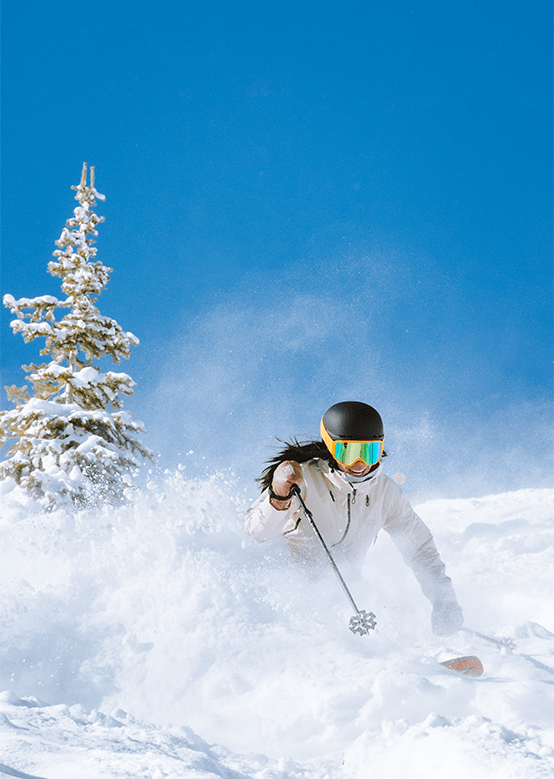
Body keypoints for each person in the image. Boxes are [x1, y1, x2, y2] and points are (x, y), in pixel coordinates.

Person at [245, 401, 464, 637]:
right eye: (348, 453)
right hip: (287, 593)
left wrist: (444, 600)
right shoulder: (302, 478)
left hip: (345, 596)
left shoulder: (386, 493)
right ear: (330, 447)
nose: (359, 465)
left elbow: (420, 548)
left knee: (384, 624)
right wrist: (279, 497)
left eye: (368, 453)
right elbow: (257, 533)